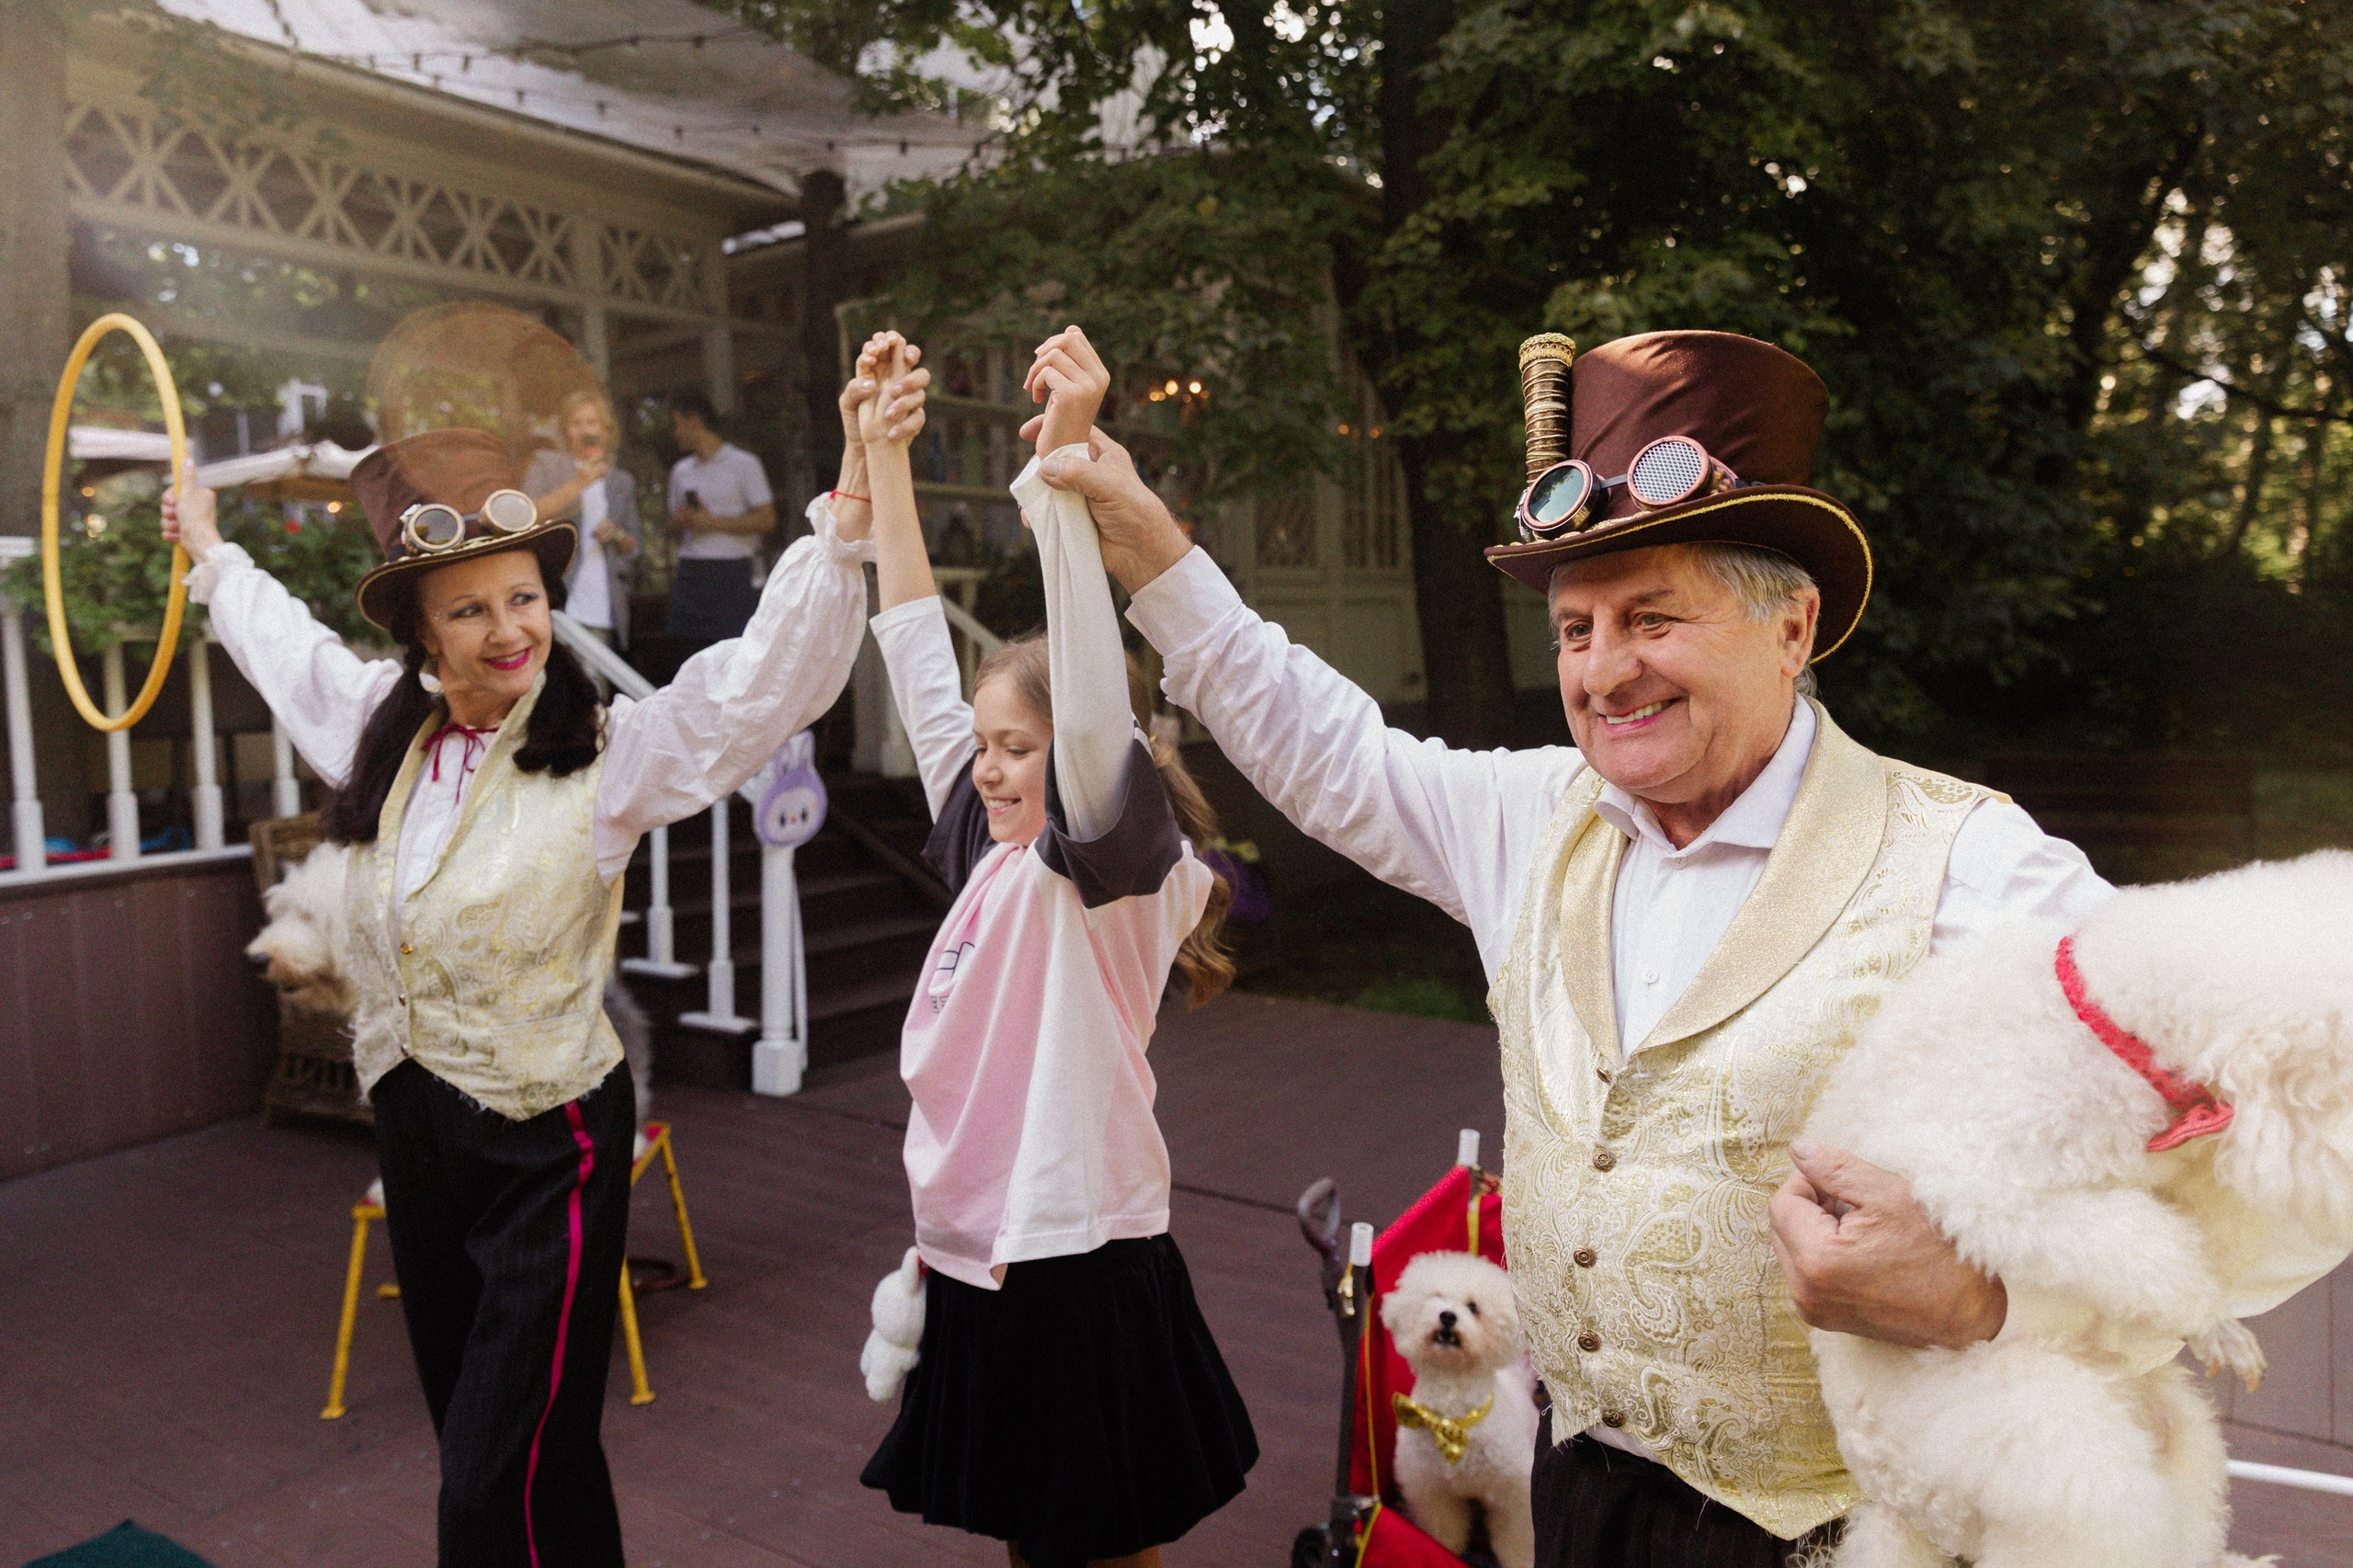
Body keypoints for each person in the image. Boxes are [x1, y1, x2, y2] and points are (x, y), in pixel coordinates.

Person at [1019, 328, 2219, 1567]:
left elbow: (2245, 1130)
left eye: (1652, 616)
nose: (1604, 670)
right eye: (1575, 629)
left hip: (1848, 1533)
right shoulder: (1535, 817)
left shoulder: (1967, 865)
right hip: (1578, 1492)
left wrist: (1998, 1296)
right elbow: (1326, 749)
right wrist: (1146, 541)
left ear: (1793, 627)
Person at [158, 377, 885, 1566]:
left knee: (496, 1472)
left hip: (553, 1134)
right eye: (471, 611)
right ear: (423, 638)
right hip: (414, 1121)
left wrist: (847, 506)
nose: (511, 629)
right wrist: (211, 552)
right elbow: (287, 652)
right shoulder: (379, 736)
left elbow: (762, 685)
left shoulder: (606, 758)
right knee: (497, 1440)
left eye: (525, 598)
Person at [852, 327, 1257, 1568]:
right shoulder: (991, 847)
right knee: (1040, 1545)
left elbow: (1088, 708)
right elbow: (918, 643)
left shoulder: (1106, 873)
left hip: (1078, 1248)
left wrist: (1069, 483)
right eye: (982, 744)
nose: (988, 762)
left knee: (1100, 1547)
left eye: (1014, 747)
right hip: (986, 1248)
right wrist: (885, 461)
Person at [524, 385, 641, 650]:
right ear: (566, 430)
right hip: (553, 601)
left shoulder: (621, 482)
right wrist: (579, 482)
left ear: (605, 430)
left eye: (592, 423)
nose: (586, 430)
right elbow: (526, 514)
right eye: (577, 423)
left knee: (592, 687)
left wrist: (617, 534)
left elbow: (635, 548)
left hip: (601, 605)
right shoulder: (547, 464)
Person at [665, 390, 776, 653]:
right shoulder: (680, 471)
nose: (675, 432)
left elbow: (767, 519)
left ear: (695, 422)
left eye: (677, 424)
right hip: (691, 570)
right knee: (687, 653)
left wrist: (712, 523)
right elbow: (671, 528)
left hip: (732, 571)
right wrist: (681, 521)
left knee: (735, 652)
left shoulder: (744, 464)